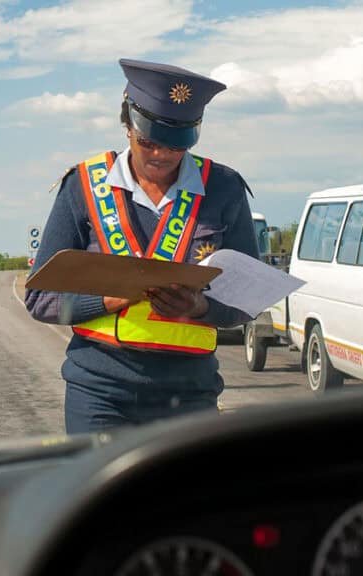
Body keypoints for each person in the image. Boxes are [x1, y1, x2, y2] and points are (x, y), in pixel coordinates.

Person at [25, 59, 260, 434]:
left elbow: (249, 299)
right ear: (127, 126)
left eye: (175, 145)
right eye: (147, 141)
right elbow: (39, 299)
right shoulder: (83, 187)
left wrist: (201, 307)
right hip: (99, 394)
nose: (160, 155)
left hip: (190, 395)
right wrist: (105, 300)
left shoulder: (224, 188)